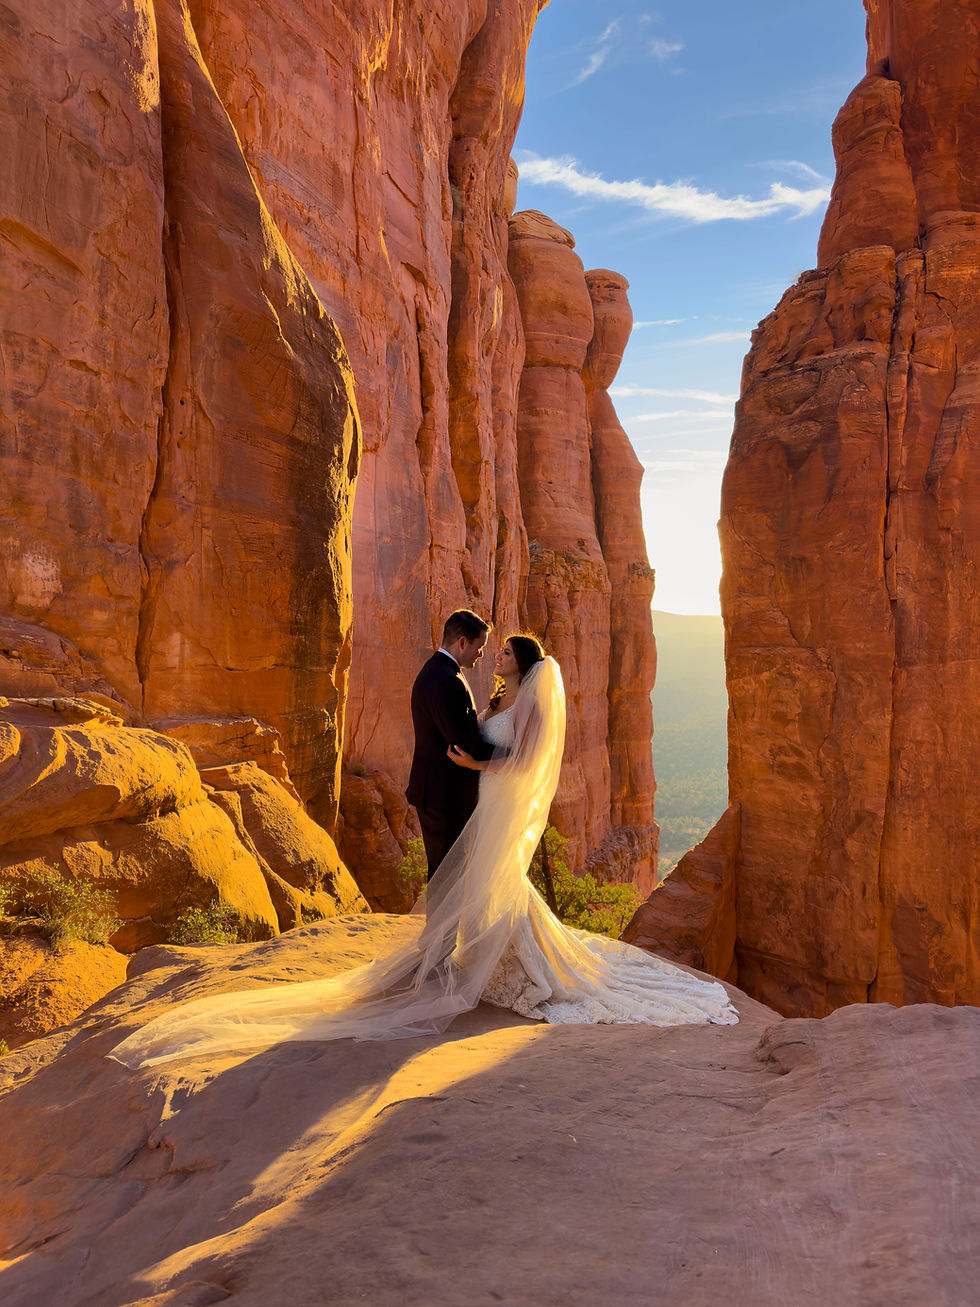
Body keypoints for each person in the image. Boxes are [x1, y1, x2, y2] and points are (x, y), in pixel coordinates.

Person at [108, 634, 737, 1070]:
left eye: (510, 653)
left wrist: (474, 757)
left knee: (494, 879)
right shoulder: (501, 698)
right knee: (487, 882)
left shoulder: (527, 702)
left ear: (526, 664)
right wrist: (474, 755)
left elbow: (524, 756)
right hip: (483, 799)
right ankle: (501, 960)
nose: (501, 658)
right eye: (501, 651)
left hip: (494, 797)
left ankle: (513, 966)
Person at [406, 609, 497, 880]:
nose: (480, 654)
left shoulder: (439, 670)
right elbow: (463, 743)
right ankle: (441, 925)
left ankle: (441, 925)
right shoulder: (446, 679)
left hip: (436, 791)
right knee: (447, 874)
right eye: (479, 647)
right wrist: (513, 755)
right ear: (462, 642)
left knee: (444, 871)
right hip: (443, 795)